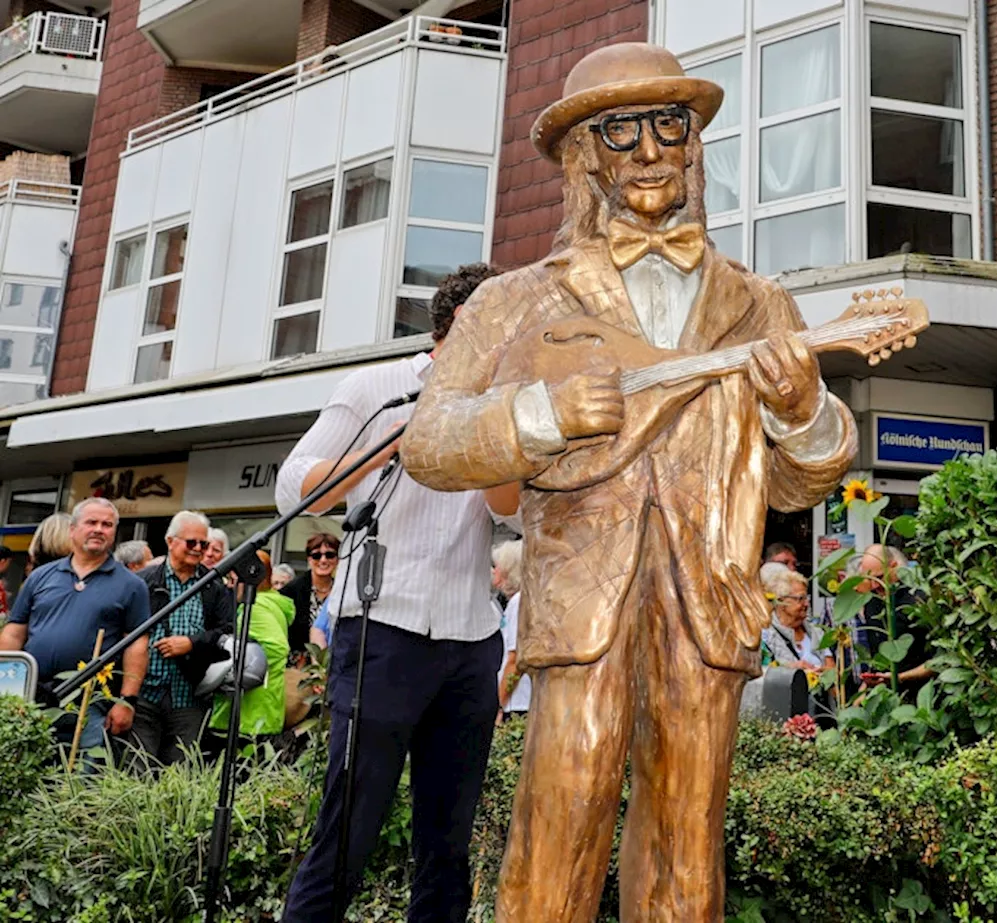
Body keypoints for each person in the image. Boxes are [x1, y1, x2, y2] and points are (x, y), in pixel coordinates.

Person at [400, 43, 856, 922]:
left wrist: (802, 411)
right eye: (620, 131)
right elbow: (431, 440)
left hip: (710, 599)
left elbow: (802, 484)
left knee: (690, 836)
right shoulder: (518, 299)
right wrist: (541, 416)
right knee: (559, 817)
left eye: (669, 125)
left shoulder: (759, 302)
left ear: (693, 142)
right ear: (581, 155)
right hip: (581, 606)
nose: (649, 150)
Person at [279, 263, 521, 923]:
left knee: (447, 844)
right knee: (348, 832)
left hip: (471, 642)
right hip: (381, 631)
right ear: (464, 320)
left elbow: (516, 514)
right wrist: (389, 446)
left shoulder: (504, 405)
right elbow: (291, 484)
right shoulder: (377, 387)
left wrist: (499, 433)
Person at [0, 498, 150, 755]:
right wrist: (5, 688)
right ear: (73, 530)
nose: (99, 529)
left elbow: (137, 644)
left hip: (91, 702)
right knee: (28, 771)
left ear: (114, 532)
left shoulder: (131, 585)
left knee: (82, 778)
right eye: (91, 522)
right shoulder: (40, 577)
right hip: (32, 696)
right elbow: (14, 632)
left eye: (107, 524)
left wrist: (126, 701)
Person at [129, 510, 235, 766]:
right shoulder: (142, 582)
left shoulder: (214, 586)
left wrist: (192, 643)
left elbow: (228, 632)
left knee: (179, 777)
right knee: (137, 769)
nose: (198, 549)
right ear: (170, 541)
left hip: (190, 694)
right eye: (191, 542)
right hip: (145, 694)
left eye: (204, 544)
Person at [207, 550, 295, 750]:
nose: (229, 585)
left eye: (233, 578)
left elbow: (277, 648)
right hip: (264, 705)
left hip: (250, 711)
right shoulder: (272, 602)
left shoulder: (256, 607)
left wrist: (238, 669)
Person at [852, 544, 934, 695]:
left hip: (924, 695)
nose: (875, 585)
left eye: (879, 577)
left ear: (894, 566)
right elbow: (878, 658)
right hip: (886, 697)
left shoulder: (919, 601)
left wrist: (899, 678)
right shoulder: (872, 602)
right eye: (869, 579)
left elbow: (938, 661)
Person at [760, 562, 834, 674]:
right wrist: (793, 669)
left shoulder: (816, 630)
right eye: (800, 598)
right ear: (781, 601)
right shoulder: (766, 636)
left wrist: (820, 672)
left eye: (806, 598)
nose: (806, 604)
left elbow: (832, 669)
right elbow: (760, 673)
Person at [281, 532, 339, 657]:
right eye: (316, 555)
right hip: (296, 664)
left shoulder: (342, 591)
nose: (323, 560)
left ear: (337, 559)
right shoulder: (290, 591)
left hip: (335, 663)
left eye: (329, 555)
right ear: (309, 559)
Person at [492, 541, 530, 721]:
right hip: (518, 701)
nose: (494, 572)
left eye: (497, 567)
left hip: (516, 703)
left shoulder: (519, 603)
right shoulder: (519, 601)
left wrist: (499, 703)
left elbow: (514, 660)